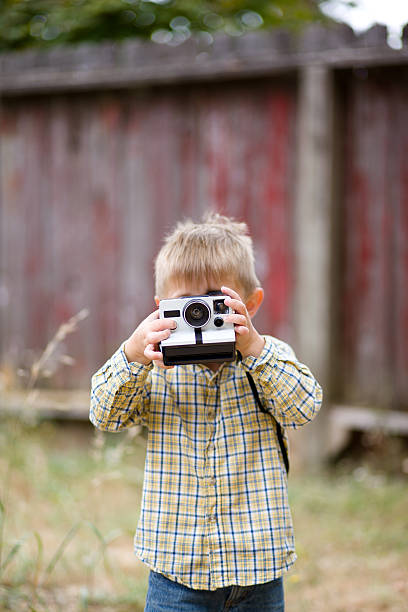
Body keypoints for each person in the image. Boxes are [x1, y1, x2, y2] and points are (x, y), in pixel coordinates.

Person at [90, 212, 323, 611]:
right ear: (161, 310)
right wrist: (132, 353)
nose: (199, 316)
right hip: (176, 573)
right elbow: (104, 414)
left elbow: (304, 408)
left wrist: (254, 349)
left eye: (213, 301)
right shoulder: (154, 371)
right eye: (187, 305)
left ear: (250, 304)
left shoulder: (267, 358)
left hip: (258, 570)